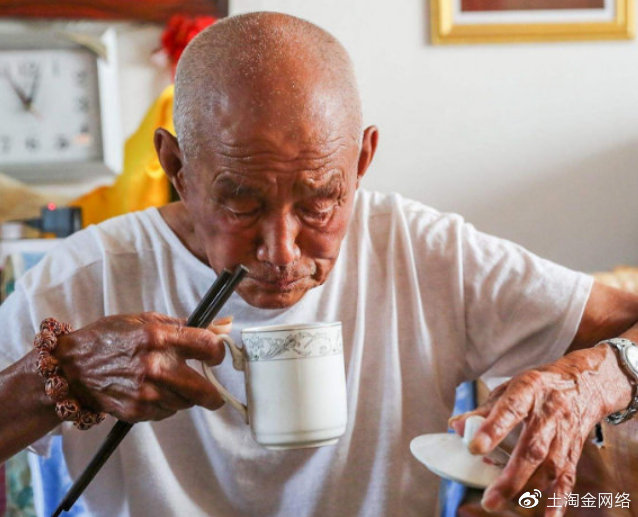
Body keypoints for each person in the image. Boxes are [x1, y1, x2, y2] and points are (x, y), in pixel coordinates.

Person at [1, 11, 637, 517]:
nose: (281, 251)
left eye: (320, 201)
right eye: (240, 200)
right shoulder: (82, 278)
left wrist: (600, 376)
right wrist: (61, 375)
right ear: (176, 168)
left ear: (362, 162)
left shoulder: (424, 251)